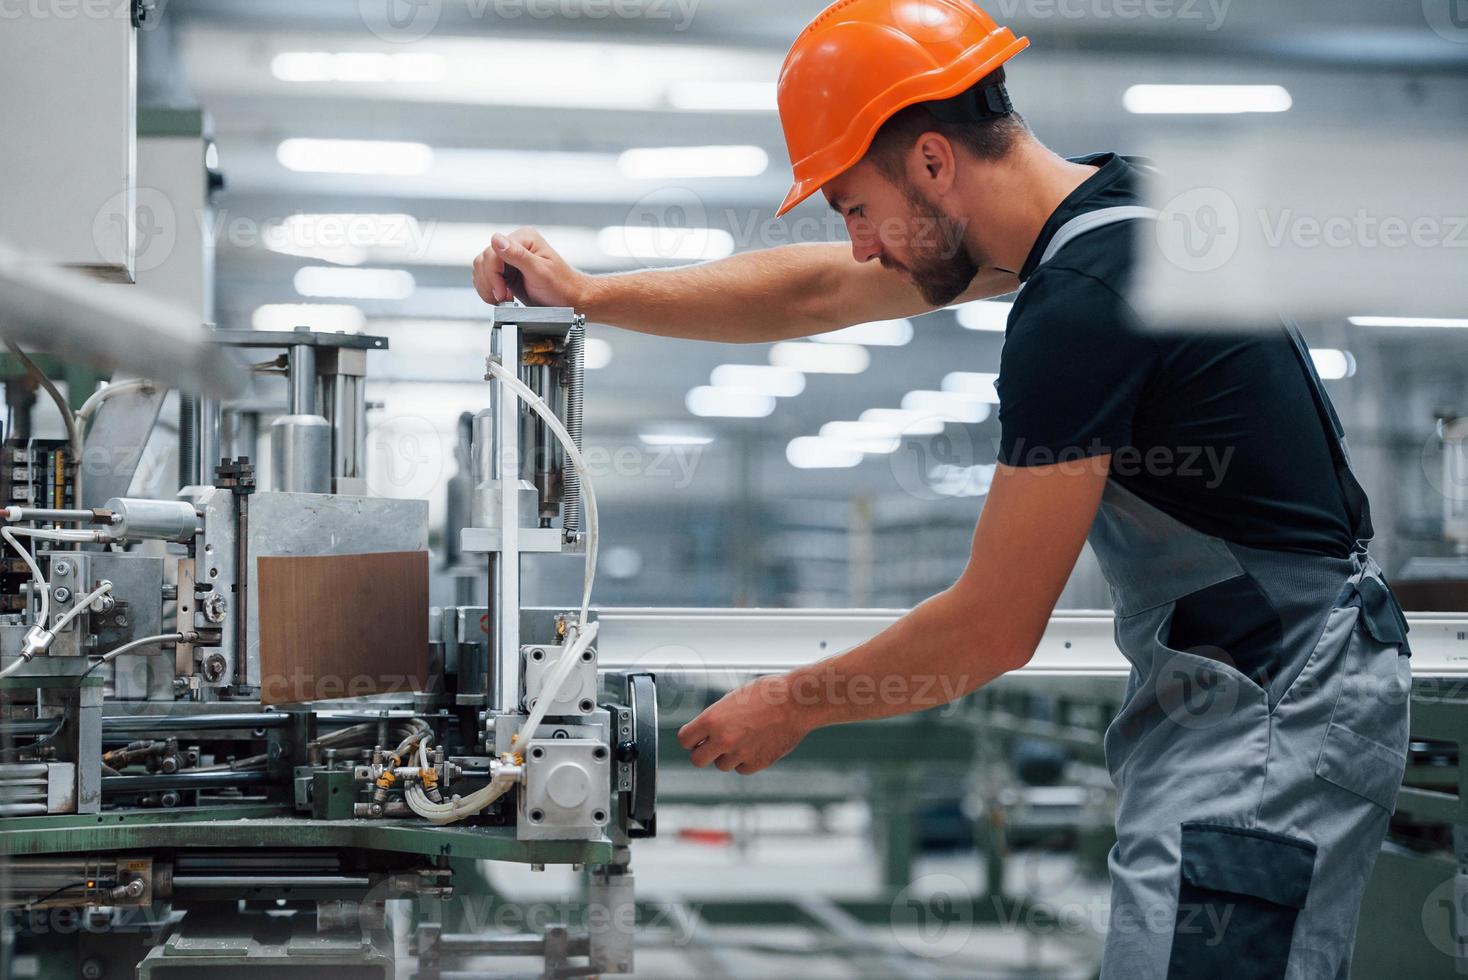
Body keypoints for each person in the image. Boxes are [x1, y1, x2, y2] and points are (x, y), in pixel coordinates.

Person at [471, 1, 1411, 974]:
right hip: (1254, 677)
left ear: (930, 162)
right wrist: (586, 293)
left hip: (1268, 699)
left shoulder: (1080, 308)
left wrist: (793, 701)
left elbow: (993, 625)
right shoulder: (1113, 214)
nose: (864, 244)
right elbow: (816, 289)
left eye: (853, 206)